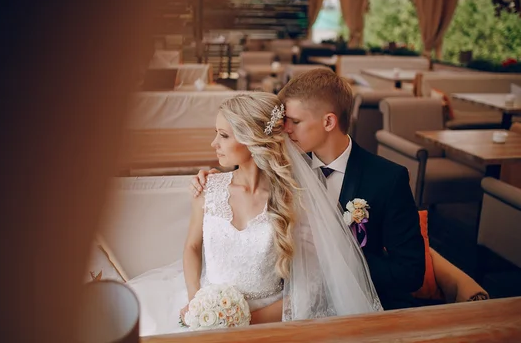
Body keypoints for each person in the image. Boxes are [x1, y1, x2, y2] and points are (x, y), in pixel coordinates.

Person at [128, 92, 382, 336]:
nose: (214, 143)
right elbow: (192, 247)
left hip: (269, 318)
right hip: (204, 309)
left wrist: (242, 321)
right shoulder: (208, 188)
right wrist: (197, 303)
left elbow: (311, 285)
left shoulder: (292, 199)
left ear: (252, 140)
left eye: (224, 135)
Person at [192, 69, 425, 310]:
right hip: (289, 305)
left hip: (357, 306)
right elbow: (242, 181)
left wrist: (336, 254)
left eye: (295, 121)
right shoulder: (282, 169)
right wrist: (211, 178)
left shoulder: (387, 179)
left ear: (328, 122)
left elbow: (411, 273)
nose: (285, 130)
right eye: (283, 121)